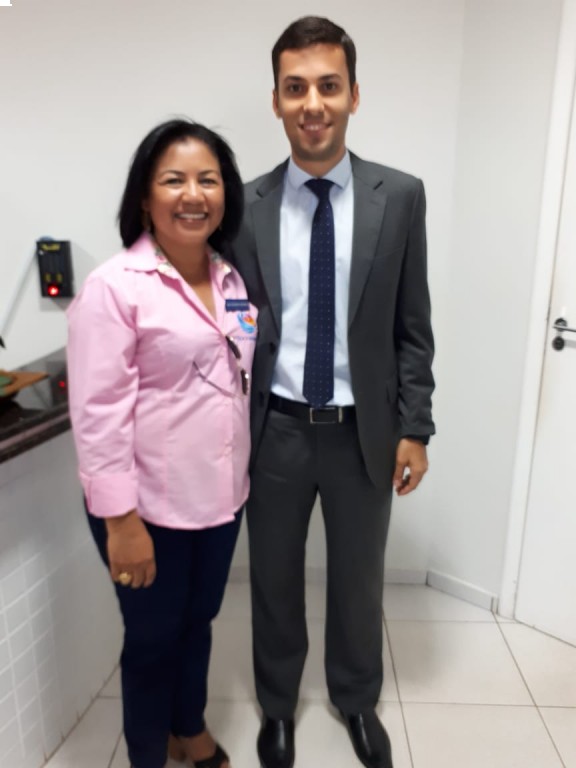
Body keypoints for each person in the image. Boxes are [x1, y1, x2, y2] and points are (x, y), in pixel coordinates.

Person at [233, 16, 435, 768]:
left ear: (354, 95)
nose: (312, 104)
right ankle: (277, 708)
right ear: (276, 101)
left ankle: (355, 700)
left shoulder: (400, 197)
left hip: (363, 434)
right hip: (276, 433)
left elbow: (413, 326)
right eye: (295, 88)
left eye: (328, 85)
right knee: (273, 581)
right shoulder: (245, 207)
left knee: (358, 583)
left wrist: (416, 426)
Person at [67, 119, 256, 768]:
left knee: (197, 623)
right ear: (145, 198)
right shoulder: (115, 286)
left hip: (220, 499)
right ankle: (147, 755)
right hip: (145, 509)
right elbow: (97, 414)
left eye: (208, 180)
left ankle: (188, 727)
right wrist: (121, 521)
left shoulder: (230, 279)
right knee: (151, 641)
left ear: (225, 193)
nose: (193, 194)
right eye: (174, 180)